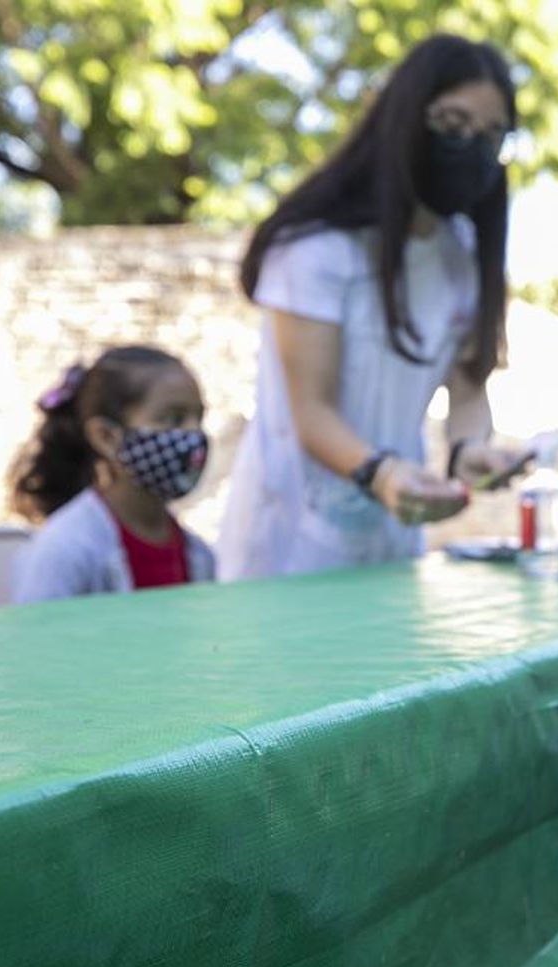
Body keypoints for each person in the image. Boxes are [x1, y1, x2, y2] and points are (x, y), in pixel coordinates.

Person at [219, 34, 526, 580]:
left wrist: (468, 451)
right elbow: (310, 413)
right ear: (405, 121)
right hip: (287, 546)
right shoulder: (317, 249)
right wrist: (382, 475)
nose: (470, 148)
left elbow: (468, 389)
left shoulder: (461, 257)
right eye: (452, 125)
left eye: (490, 135)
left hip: (393, 537)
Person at [11, 347, 214, 603]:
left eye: (199, 417)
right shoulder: (64, 549)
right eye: (173, 419)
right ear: (106, 437)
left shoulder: (200, 555)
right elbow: (36, 637)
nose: (193, 434)